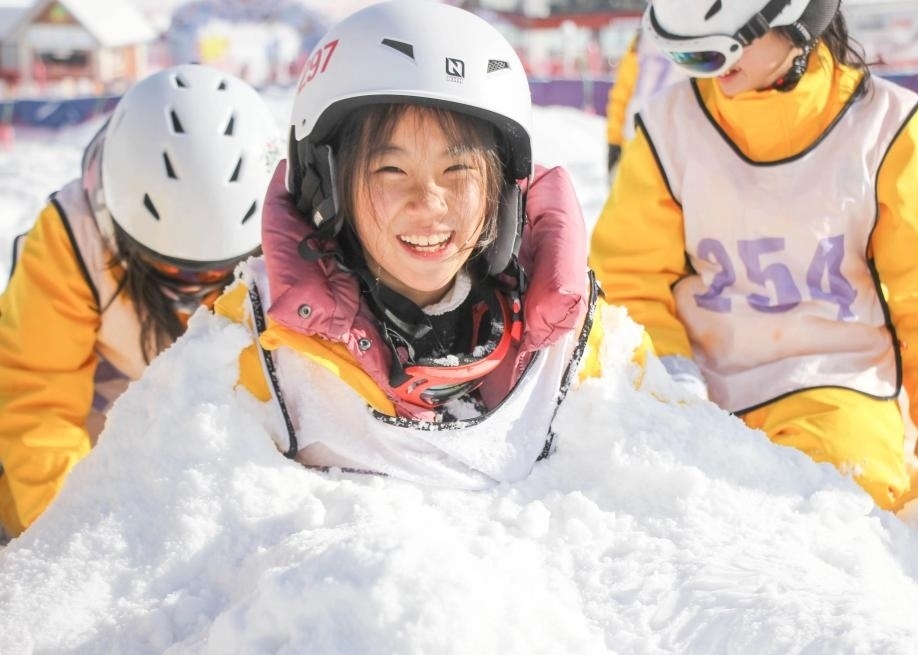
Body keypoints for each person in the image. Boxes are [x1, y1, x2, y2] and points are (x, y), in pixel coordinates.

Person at [589, 0, 918, 510]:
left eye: (717, 52)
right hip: (698, 386)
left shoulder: (886, 128)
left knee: (833, 500)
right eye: (690, 56)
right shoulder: (669, 129)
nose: (708, 70)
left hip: (834, 386)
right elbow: (629, 278)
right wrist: (667, 373)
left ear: (797, 20)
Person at [205, 0, 657, 486]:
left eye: (458, 169)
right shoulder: (257, 346)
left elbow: (675, 477)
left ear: (503, 192)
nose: (428, 203)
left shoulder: (576, 344)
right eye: (391, 169)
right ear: (327, 186)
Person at [0, 64, 281, 537]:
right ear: (121, 231)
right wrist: (65, 540)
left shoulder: (287, 242)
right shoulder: (72, 239)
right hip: (96, 436)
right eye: (173, 269)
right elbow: (38, 399)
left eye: (217, 272)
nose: (196, 287)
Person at [604, 27, 686, 180]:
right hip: (634, 141)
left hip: (675, 151)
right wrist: (614, 141)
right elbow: (623, 93)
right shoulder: (642, 38)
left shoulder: (695, 36)